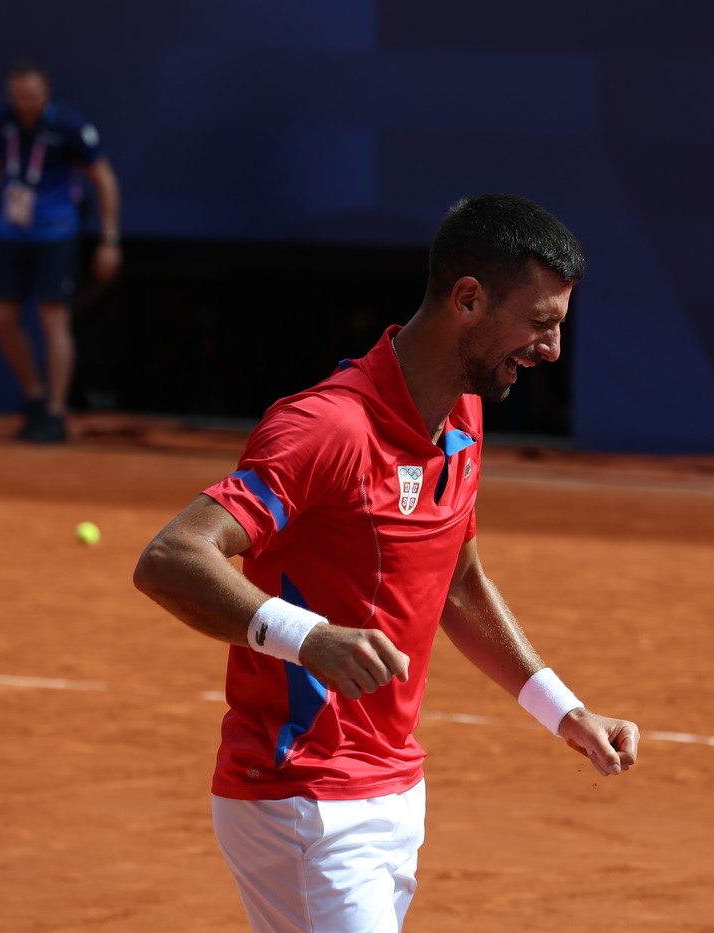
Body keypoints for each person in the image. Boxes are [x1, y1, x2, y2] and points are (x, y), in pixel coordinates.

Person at [133, 193, 639, 933]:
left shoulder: (462, 412)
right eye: (541, 323)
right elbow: (170, 556)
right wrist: (306, 635)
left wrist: (563, 709)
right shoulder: (326, 428)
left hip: (393, 788)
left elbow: (459, 582)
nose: (552, 349)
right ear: (468, 299)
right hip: (302, 796)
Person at [0, 59, 122, 443]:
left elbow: (104, 179)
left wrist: (109, 239)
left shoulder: (69, 126)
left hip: (56, 234)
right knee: (0, 318)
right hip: (10, 233)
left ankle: (56, 411)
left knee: (53, 320)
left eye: (31, 95)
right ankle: (34, 395)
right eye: (17, 95)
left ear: (45, 92)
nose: (24, 102)